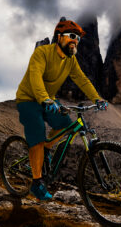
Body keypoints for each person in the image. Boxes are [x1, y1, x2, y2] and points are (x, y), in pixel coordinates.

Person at [15, 17, 106, 200]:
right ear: (59, 36)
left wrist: (97, 98)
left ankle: (46, 150)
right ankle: (37, 183)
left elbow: (82, 80)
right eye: (72, 36)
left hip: (49, 99)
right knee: (38, 134)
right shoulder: (42, 53)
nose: (75, 41)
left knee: (66, 123)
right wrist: (44, 99)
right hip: (28, 99)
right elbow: (35, 78)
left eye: (78, 39)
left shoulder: (70, 60)